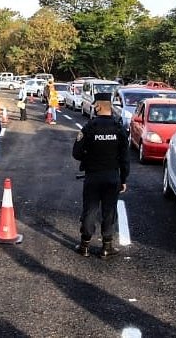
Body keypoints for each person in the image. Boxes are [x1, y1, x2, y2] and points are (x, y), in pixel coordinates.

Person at [72, 98, 130, 258]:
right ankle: (107, 246)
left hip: (93, 175)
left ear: (98, 107)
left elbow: (76, 153)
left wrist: (88, 156)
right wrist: (123, 179)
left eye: (94, 105)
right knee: (109, 211)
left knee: (90, 209)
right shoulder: (118, 128)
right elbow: (125, 158)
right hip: (112, 176)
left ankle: (84, 246)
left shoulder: (90, 127)